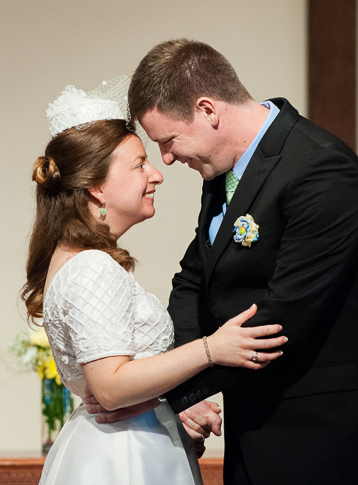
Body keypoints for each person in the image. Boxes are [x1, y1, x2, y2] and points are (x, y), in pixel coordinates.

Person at [90, 39, 358, 485]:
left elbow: (280, 321)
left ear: (207, 110)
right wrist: (170, 382)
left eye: (168, 140)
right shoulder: (223, 172)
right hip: (256, 433)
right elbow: (193, 279)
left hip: (329, 438)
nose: (166, 158)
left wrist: (155, 390)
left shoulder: (321, 170)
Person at [22, 77, 287, 485]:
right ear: (97, 188)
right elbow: (110, 387)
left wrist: (169, 403)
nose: (157, 174)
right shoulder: (91, 267)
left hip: (127, 440)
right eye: (139, 164)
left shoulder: (77, 259)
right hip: (125, 459)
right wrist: (212, 349)